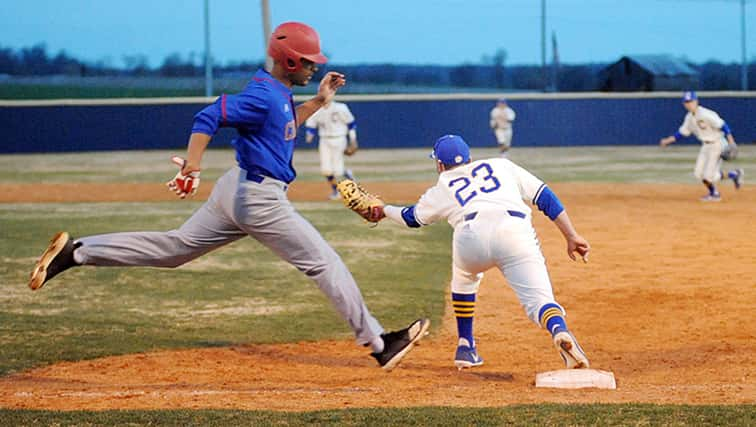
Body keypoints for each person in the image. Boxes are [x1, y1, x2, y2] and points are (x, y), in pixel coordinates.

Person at [27, 21, 429, 371]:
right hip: (258, 199)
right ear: (289, 61)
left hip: (236, 190)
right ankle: (380, 345)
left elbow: (285, 124)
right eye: (309, 61)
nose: (315, 66)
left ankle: (77, 252)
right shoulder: (265, 95)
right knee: (325, 263)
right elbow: (209, 116)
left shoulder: (273, 93)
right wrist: (193, 166)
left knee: (175, 249)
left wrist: (320, 102)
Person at [369, 134, 591, 370]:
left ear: (440, 165)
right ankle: (559, 330)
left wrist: (384, 211)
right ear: (470, 158)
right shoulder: (501, 165)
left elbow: (412, 218)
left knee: (464, 279)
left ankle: (466, 346)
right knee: (540, 300)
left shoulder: (443, 184)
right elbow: (544, 196)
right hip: (513, 232)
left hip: (470, 236)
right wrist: (571, 235)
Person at [659, 91, 744, 202]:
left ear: (696, 101)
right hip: (706, 146)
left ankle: (715, 193)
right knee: (698, 173)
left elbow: (723, 125)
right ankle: (733, 175)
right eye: (687, 102)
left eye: (691, 101)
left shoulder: (706, 114)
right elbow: (682, 133)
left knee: (708, 176)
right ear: (684, 104)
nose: (689, 104)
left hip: (717, 144)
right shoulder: (689, 118)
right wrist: (667, 141)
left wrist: (731, 142)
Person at [305, 100, 358, 200]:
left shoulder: (341, 107)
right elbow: (311, 124)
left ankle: (346, 176)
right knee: (326, 170)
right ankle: (336, 190)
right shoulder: (316, 109)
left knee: (337, 170)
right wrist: (309, 134)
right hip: (324, 140)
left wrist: (353, 140)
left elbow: (351, 124)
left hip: (339, 138)